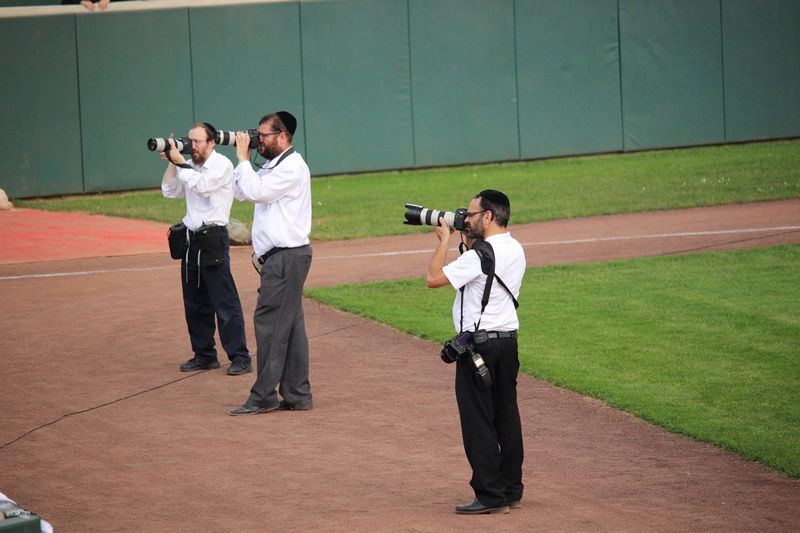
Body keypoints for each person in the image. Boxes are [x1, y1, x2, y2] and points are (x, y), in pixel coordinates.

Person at [426, 190, 526, 515]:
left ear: (488, 216)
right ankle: (510, 490)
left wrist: (444, 241)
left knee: (478, 422)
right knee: (506, 417)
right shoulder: (514, 247)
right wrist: (468, 240)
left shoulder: (479, 256)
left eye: (471, 214)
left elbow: (433, 279)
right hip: (507, 343)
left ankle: (490, 495)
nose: (465, 219)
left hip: (478, 348)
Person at [228, 111, 314, 415]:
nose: (258, 140)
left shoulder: (292, 167)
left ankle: (263, 396)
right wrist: (243, 161)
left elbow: (257, 191)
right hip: (282, 258)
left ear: (282, 135)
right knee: (291, 326)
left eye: (263, 135)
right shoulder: (273, 165)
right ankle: (298, 394)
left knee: (270, 325)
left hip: (286, 258)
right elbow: (242, 192)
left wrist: (243, 159)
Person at [160, 122, 252, 376]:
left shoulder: (222, 165)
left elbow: (202, 187)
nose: (192, 145)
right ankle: (204, 355)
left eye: (197, 141)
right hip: (190, 239)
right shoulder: (188, 165)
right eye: (189, 140)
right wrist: (172, 161)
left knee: (224, 302)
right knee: (194, 302)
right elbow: (170, 191)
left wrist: (181, 162)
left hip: (213, 238)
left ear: (211, 143)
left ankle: (240, 357)